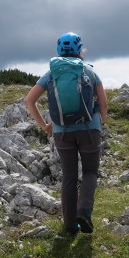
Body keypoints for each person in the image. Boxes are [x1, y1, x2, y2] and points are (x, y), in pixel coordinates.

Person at [24, 32, 108, 235]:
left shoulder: (52, 73)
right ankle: (84, 212)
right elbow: (103, 103)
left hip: (62, 131)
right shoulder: (90, 72)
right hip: (89, 129)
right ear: (80, 50)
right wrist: (100, 122)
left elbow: (29, 100)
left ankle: (70, 226)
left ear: (58, 50)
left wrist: (45, 126)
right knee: (89, 172)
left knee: (69, 176)